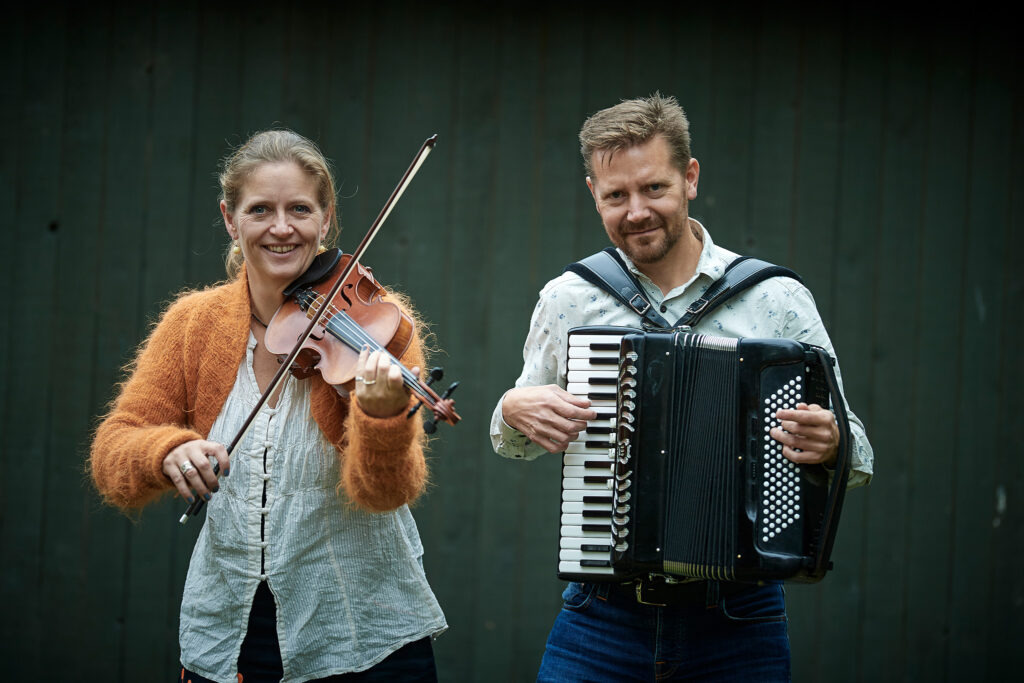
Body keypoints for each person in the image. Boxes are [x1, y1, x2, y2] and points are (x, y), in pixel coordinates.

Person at [490, 94, 874, 681]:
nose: (636, 211)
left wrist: (832, 443)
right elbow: (514, 436)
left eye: (654, 189)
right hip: (601, 619)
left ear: (690, 178)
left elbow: (859, 452)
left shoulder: (775, 299)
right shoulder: (569, 298)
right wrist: (513, 408)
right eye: (616, 196)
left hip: (739, 621)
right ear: (593, 192)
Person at [90, 130, 446, 682]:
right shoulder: (194, 325)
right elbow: (115, 446)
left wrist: (380, 421)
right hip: (229, 630)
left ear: (325, 220)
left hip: (362, 633)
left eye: (300, 209)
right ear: (231, 220)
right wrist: (166, 451)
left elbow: (388, 493)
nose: (282, 228)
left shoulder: (374, 325)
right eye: (261, 210)